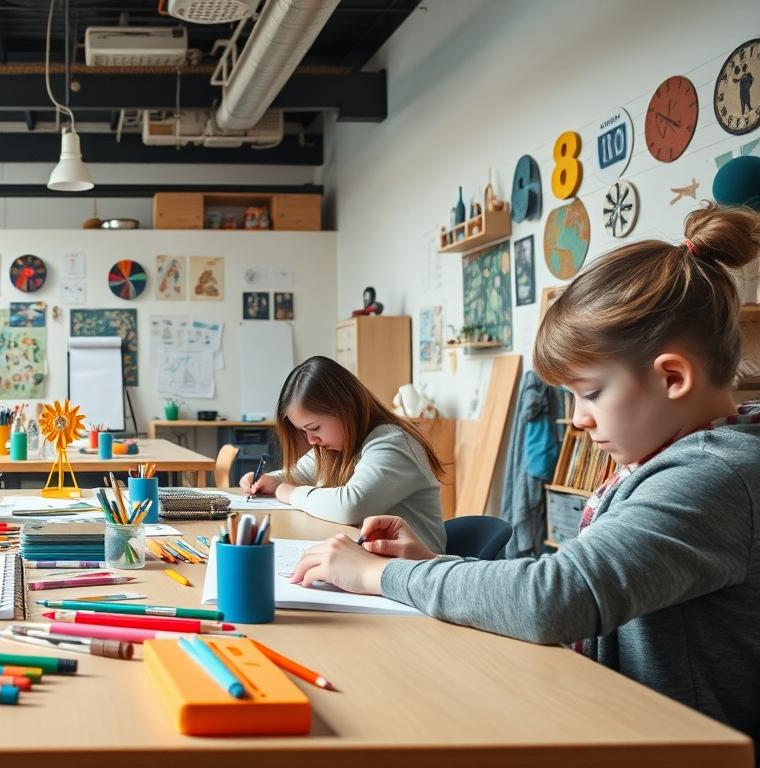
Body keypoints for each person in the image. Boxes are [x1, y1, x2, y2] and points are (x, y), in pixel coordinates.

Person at [291, 203, 760, 745]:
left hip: (677, 748)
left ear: (673, 377)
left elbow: (556, 596)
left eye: (590, 394)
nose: (580, 420)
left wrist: (375, 576)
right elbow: (576, 576)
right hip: (623, 718)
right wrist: (435, 564)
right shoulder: (673, 460)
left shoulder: (713, 477)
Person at [239, 356, 447, 553]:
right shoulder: (340, 445)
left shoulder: (392, 443)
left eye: (315, 428)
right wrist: (271, 480)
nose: (311, 441)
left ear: (344, 408)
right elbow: (300, 473)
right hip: (377, 562)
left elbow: (351, 505)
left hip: (416, 572)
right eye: (304, 431)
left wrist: (291, 493)